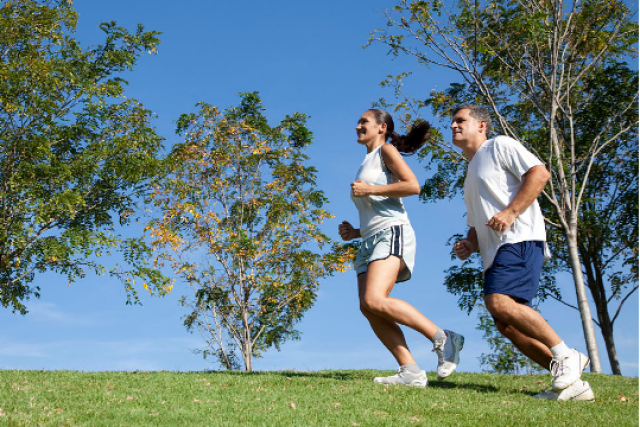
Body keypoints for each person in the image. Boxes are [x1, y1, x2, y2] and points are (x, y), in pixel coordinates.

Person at [450, 104, 594, 401]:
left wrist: (511, 212)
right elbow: (476, 223)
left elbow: (540, 174)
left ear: (482, 125)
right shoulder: (469, 173)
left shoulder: (499, 146)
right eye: (452, 122)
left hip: (520, 238)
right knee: (507, 324)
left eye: (460, 120)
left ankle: (568, 356)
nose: (453, 126)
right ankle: (574, 387)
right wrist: (470, 244)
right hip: (496, 252)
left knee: (499, 303)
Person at [339, 108, 464, 387]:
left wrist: (369, 190)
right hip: (370, 239)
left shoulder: (387, 152)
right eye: (358, 121)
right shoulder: (367, 161)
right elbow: (378, 209)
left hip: (392, 233)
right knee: (368, 307)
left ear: (382, 128)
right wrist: (355, 232)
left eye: (364, 122)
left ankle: (443, 337)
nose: (358, 125)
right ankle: (409, 370)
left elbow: (413, 186)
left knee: (375, 299)